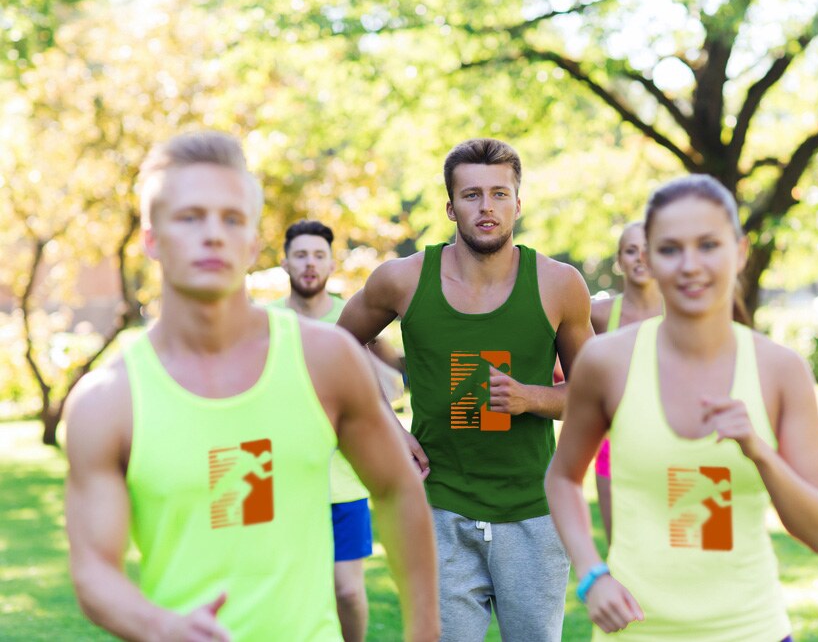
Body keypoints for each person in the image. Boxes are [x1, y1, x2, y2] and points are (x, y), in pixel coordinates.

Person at [63, 131, 439, 642]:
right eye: (190, 217)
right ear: (151, 238)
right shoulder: (107, 402)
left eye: (232, 218)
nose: (213, 234)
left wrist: (424, 632)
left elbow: (397, 491)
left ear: (253, 242)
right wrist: (158, 627)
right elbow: (92, 570)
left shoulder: (325, 360)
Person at [545, 174, 818, 641]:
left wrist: (759, 451)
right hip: (637, 633)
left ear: (739, 252)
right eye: (670, 249)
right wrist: (592, 574)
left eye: (708, 245)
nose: (690, 265)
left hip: (751, 630)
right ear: (648, 260)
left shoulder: (781, 370)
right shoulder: (607, 361)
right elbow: (562, 477)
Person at [337, 138, 594, 642]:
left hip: (533, 512)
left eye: (500, 194)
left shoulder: (560, 285)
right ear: (450, 206)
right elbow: (337, 346)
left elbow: (596, 396)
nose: (487, 208)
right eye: (472, 195)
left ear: (518, 203)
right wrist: (388, 426)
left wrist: (531, 398)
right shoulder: (402, 281)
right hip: (438, 506)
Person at [273, 219, 389, 642]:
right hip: (281, 480)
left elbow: (389, 383)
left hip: (345, 481)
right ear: (285, 262)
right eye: (301, 255)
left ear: (331, 263)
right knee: (289, 589)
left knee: (347, 591)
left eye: (319, 255)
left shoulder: (355, 318)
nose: (310, 264)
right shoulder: (264, 324)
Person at [589, 220, 662, 543]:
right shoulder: (599, 314)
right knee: (622, 551)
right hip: (614, 447)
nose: (640, 259)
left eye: (649, 251)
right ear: (619, 260)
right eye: (631, 251)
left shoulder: (683, 314)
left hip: (672, 445)